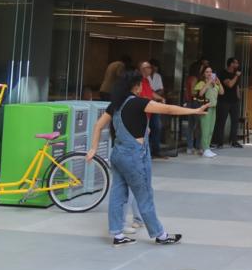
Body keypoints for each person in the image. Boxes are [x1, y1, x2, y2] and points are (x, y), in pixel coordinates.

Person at [86, 70, 207, 246]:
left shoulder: (116, 104)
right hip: (133, 157)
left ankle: (117, 235)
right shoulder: (138, 103)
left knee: (118, 194)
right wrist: (194, 110)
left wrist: (93, 149)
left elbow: (98, 126)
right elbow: (168, 109)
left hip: (118, 154)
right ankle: (160, 234)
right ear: (136, 86)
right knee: (144, 195)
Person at [212, 58, 243, 149]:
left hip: (234, 101)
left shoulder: (235, 74)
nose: (237, 65)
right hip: (224, 100)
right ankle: (218, 141)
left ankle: (233, 141)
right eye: (236, 63)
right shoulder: (223, 73)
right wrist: (236, 76)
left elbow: (236, 86)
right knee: (221, 121)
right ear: (230, 64)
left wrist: (238, 97)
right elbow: (229, 84)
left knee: (235, 121)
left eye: (237, 63)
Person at [193, 65, 223, 158]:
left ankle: (206, 148)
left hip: (213, 108)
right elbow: (200, 93)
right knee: (205, 129)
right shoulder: (202, 83)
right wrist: (208, 82)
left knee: (210, 129)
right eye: (207, 72)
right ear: (203, 74)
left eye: (210, 71)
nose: (209, 73)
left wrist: (219, 82)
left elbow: (222, 92)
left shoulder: (215, 83)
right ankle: (205, 149)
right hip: (206, 108)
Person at [139, 61, 167, 159]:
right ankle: (146, 152)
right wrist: (150, 99)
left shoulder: (146, 81)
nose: (151, 69)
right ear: (143, 69)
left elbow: (151, 92)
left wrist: (160, 98)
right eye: (148, 67)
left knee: (156, 127)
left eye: (151, 67)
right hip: (144, 108)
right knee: (145, 130)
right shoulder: (139, 80)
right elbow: (140, 94)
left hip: (151, 107)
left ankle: (155, 151)